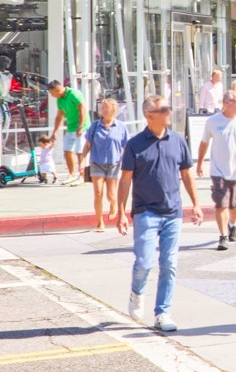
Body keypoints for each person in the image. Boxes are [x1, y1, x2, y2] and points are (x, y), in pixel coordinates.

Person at [116, 95, 203, 332]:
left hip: (172, 212)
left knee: (169, 264)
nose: (169, 112)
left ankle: (162, 312)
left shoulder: (178, 141)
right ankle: (137, 292)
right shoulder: (135, 144)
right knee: (144, 262)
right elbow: (125, 180)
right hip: (145, 212)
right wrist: (121, 212)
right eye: (164, 109)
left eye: (168, 108)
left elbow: (187, 174)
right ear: (149, 115)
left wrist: (196, 203)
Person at [197, 90, 236, 251]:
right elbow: (204, 143)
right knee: (221, 204)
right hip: (218, 171)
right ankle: (223, 236)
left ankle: (232, 224)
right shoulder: (213, 121)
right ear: (226, 103)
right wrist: (200, 163)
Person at [80, 98, 129, 232]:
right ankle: (99, 222)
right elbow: (87, 144)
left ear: (114, 109)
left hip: (114, 164)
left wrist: (129, 163)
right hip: (97, 162)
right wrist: (82, 160)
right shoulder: (95, 126)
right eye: (103, 107)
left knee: (111, 195)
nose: (104, 110)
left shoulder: (121, 127)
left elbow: (126, 146)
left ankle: (113, 205)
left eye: (107, 107)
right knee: (98, 192)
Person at [47, 80, 90, 186]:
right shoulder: (60, 100)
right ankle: (72, 175)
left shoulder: (74, 94)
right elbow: (59, 116)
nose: (52, 96)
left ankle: (82, 175)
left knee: (80, 152)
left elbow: (82, 109)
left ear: (57, 90)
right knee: (67, 150)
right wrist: (54, 133)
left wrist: (80, 126)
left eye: (52, 93)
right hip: (71, 128)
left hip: (82, 127)